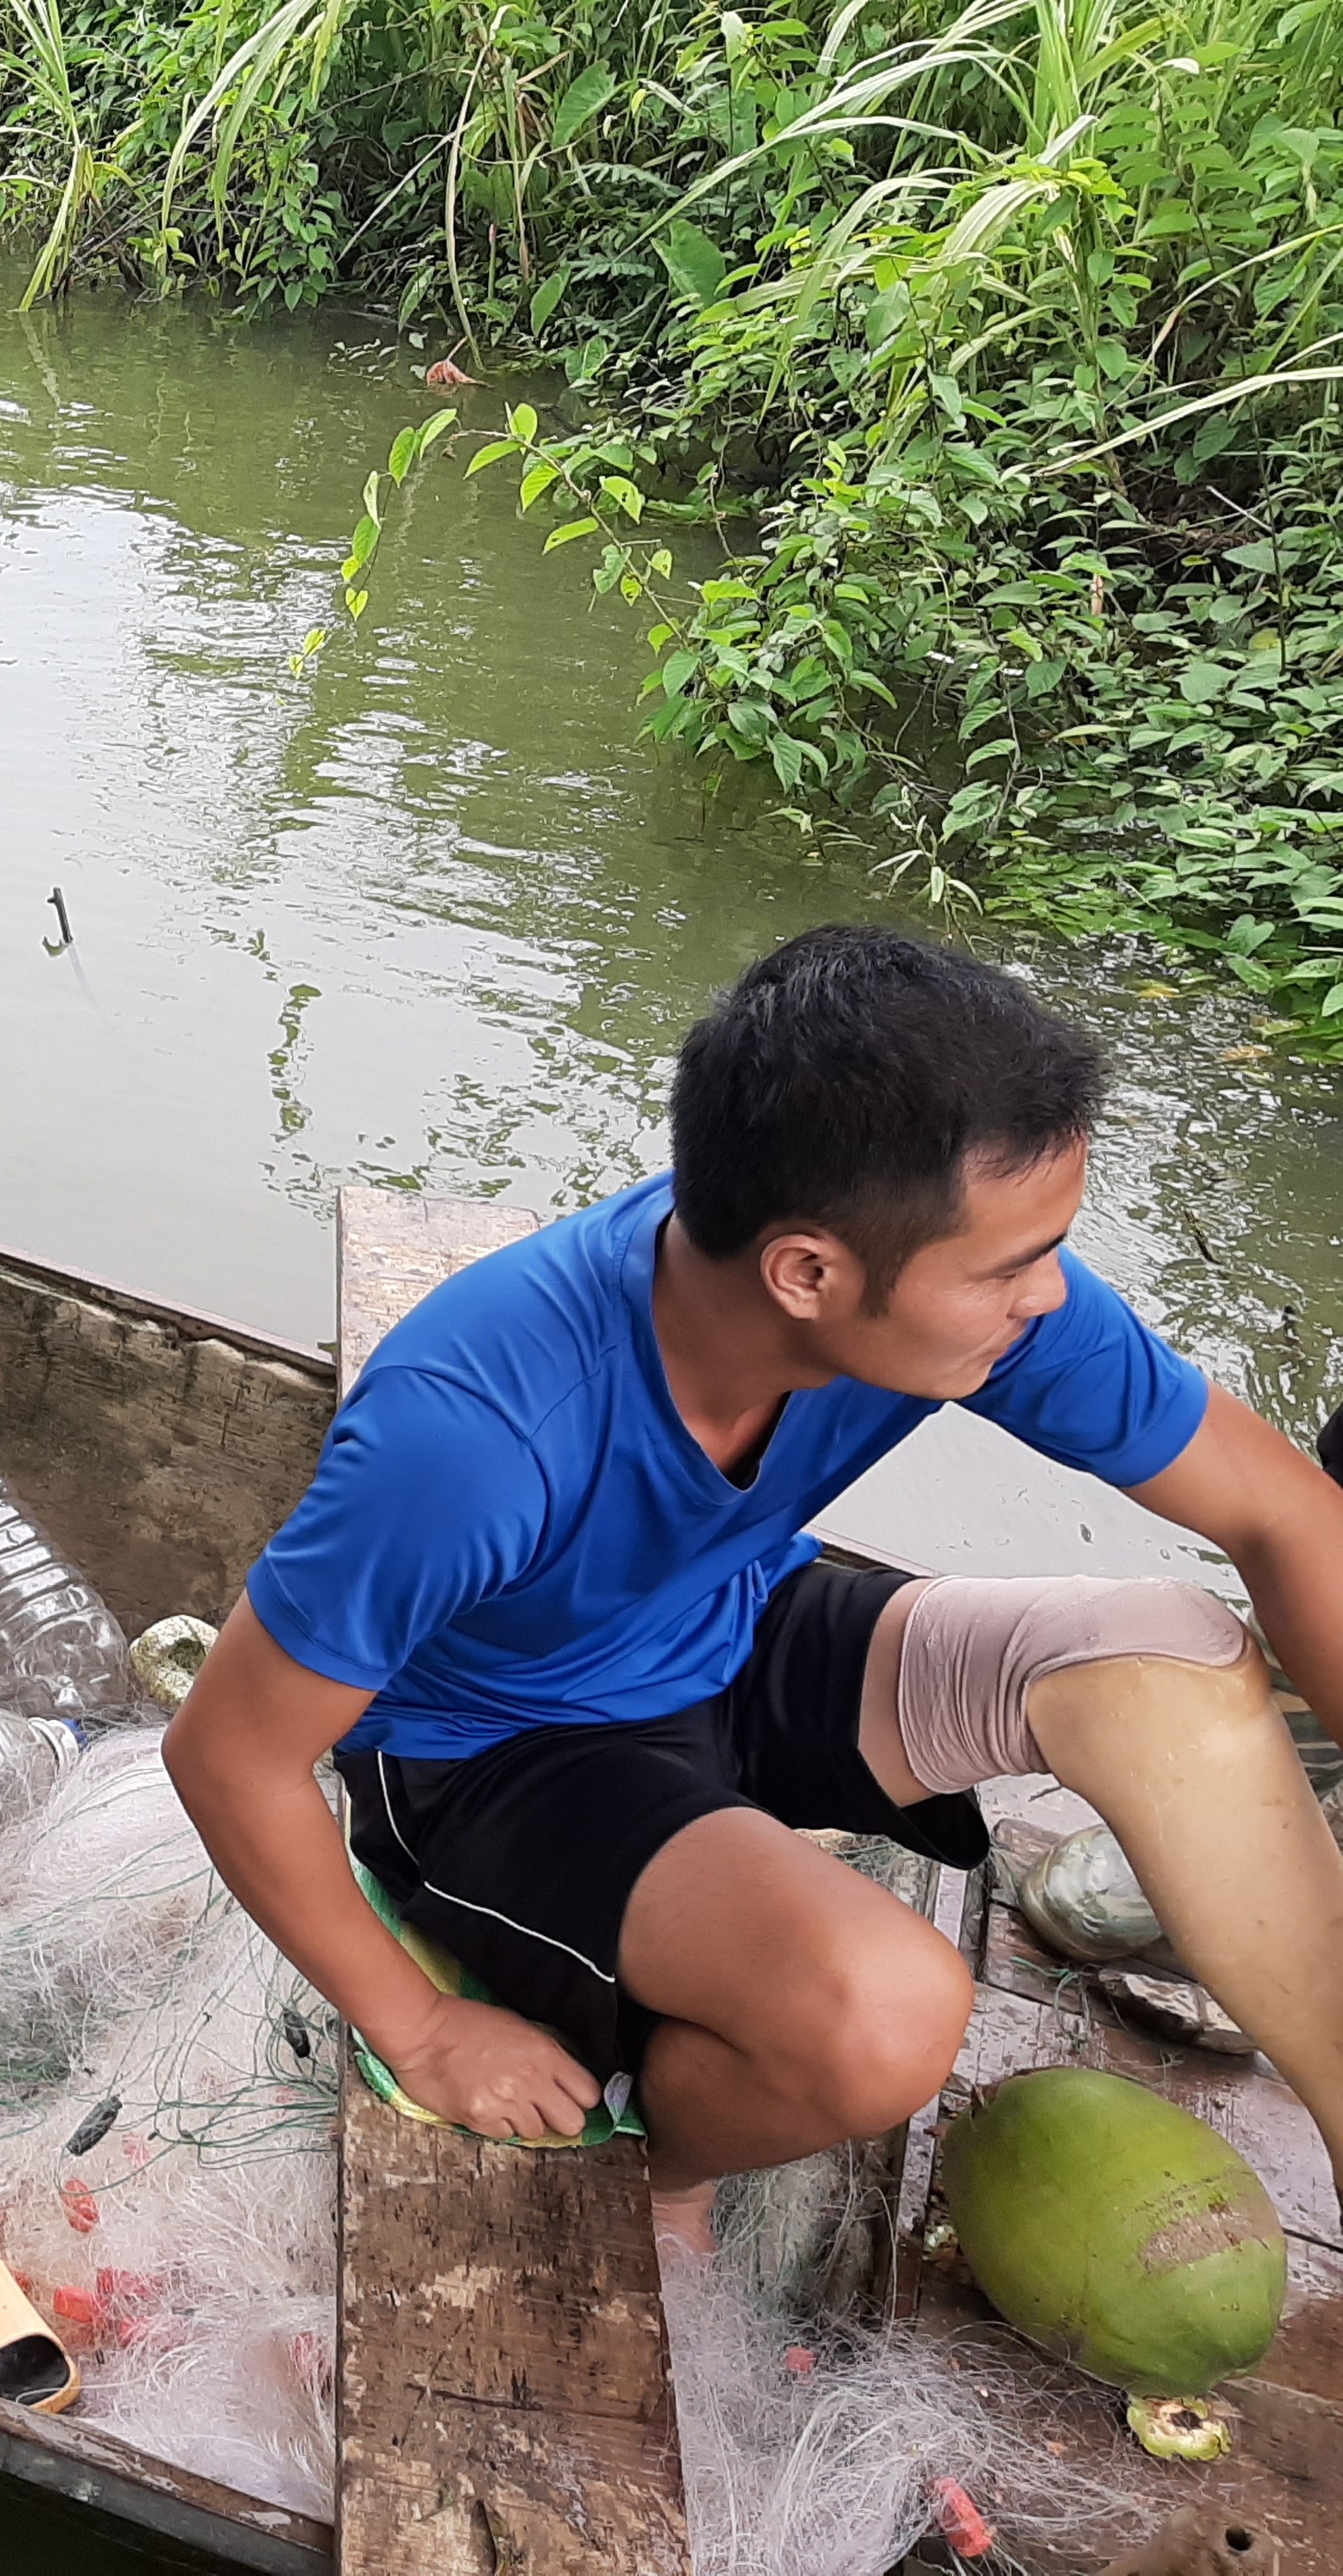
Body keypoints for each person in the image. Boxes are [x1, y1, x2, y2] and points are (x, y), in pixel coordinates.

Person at [165, 928, 1343, 2246]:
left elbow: (1289, 1517)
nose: (1050, 1295)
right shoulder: (476, 1435)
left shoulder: (963, 1304)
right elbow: (227, 1755)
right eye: (1012, 1265)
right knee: (885, 2020)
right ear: (807, 1273)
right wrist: (423, 2026)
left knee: (1169, 1651)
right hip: (502, 1751)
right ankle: (664, 2168)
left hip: (726, 1621)